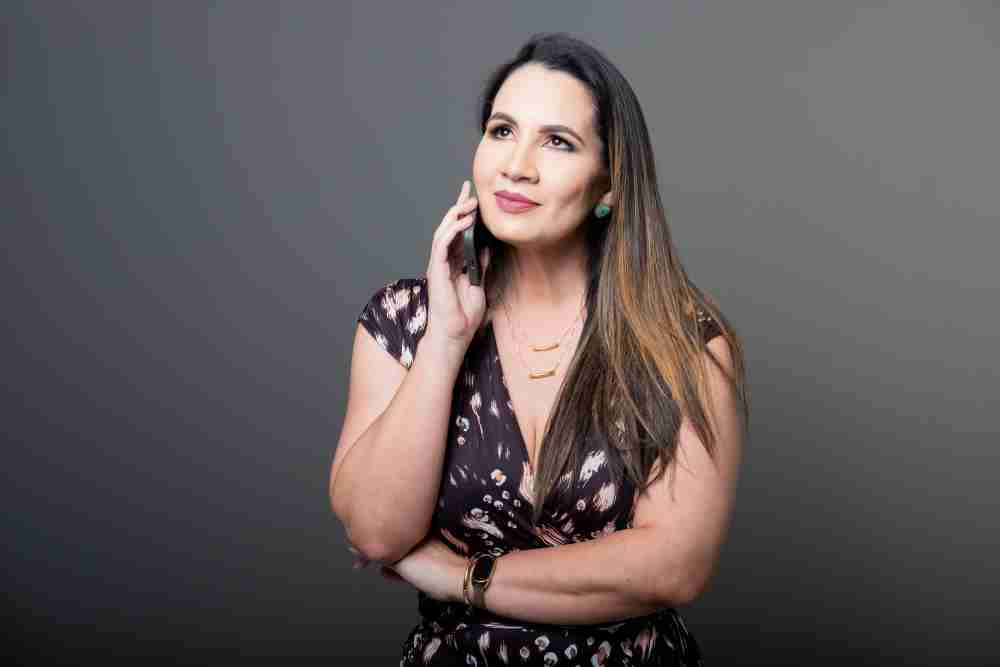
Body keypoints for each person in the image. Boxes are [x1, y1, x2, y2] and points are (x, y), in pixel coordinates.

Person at [330, 32, 749, 666]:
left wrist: (464, 579)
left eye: (558, 142)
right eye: (502, 131)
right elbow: (376, 532)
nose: (517, 165)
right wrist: (445, 340)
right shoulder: (405, 322)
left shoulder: (681, 341)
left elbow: (674, 567)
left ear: (609, 186)